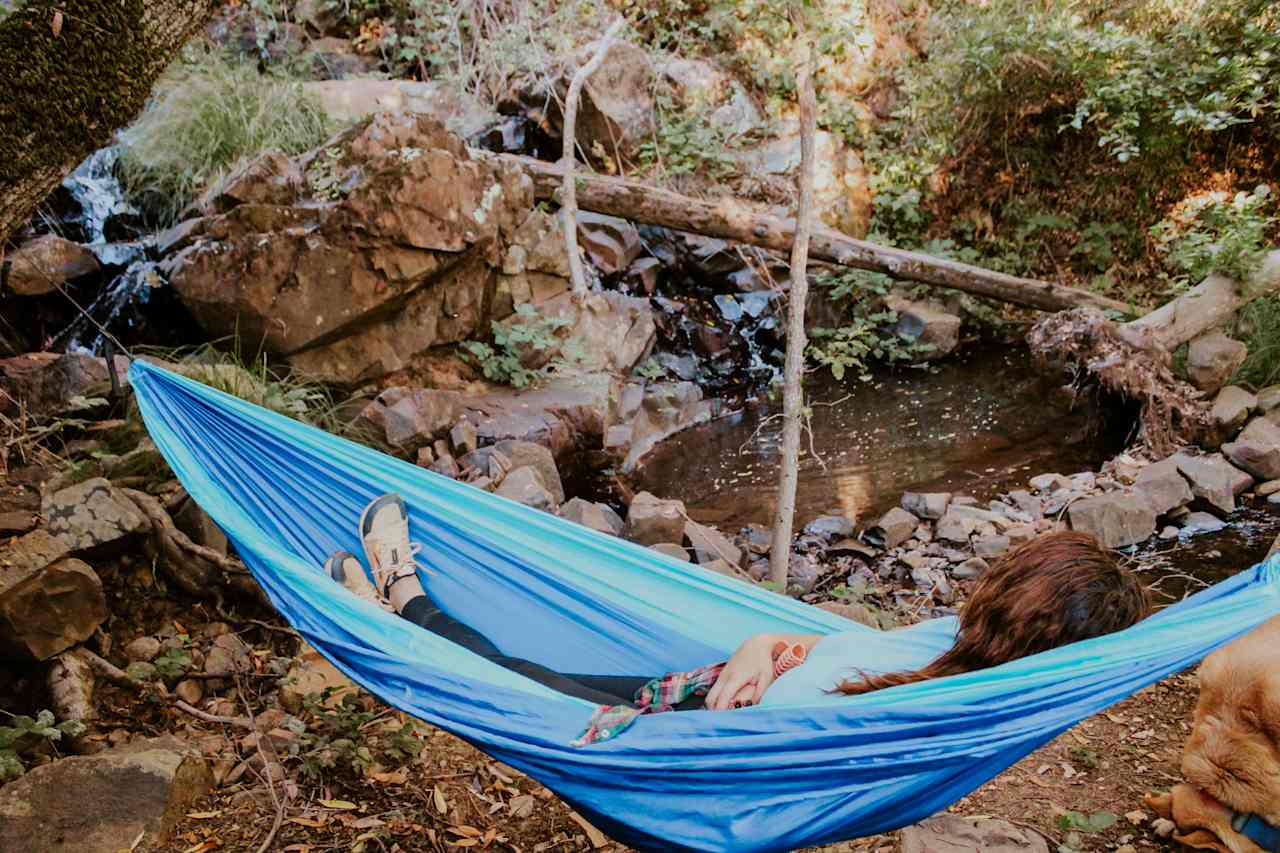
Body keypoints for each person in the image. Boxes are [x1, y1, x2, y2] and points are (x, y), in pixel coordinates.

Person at [326, 495, 1150, 712]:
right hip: (705, 685)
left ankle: (397, 601)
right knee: (538, 668)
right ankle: (400, 604)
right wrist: (764, 644)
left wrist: (747, 686)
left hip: (687, 746)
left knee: (516, 682)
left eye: (1008, 576)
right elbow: (824, 648)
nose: (988, 580)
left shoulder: (934, 708)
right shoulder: (954, 639)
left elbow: (776, 744)